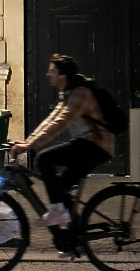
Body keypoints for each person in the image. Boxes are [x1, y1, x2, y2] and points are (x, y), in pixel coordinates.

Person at [10, 54, 114, 252]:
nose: (48, 74)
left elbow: (60, 124)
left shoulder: (80, 94)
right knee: (61, 188)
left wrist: (30, 146)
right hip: (87, 143)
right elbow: (50, 120)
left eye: (52, 71)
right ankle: (73, 239)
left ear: (63, 75)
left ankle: (57, 211)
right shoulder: (68, 92)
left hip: (97, 145)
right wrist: (27, 142)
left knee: (44, 158)